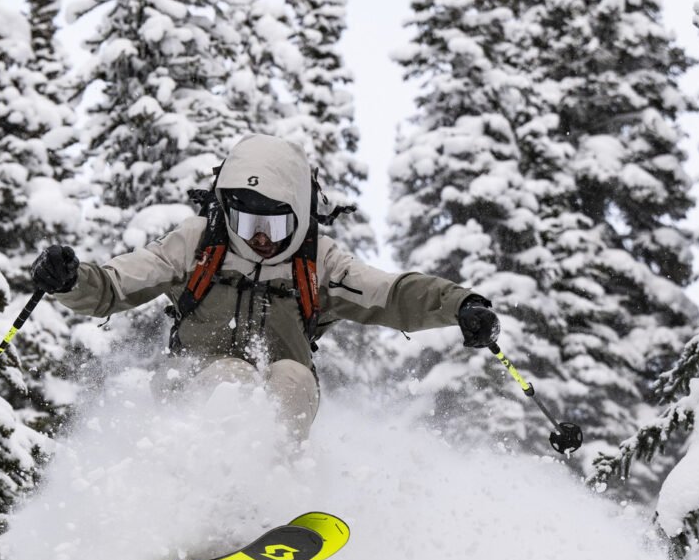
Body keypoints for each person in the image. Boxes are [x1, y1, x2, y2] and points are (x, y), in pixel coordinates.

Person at [29, 134, 500, 441]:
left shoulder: (318, 263)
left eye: (273, 225)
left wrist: (459, 306)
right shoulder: (197, 244)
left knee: (292, 378)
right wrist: (71, 280)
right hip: (189, 391)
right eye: (246, 221)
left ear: (297, 216)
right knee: (230, 376)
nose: (258, 237)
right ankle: (197, 499)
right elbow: (116, 283)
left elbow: (391, 294)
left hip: (279, 400)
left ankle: (263, 499)